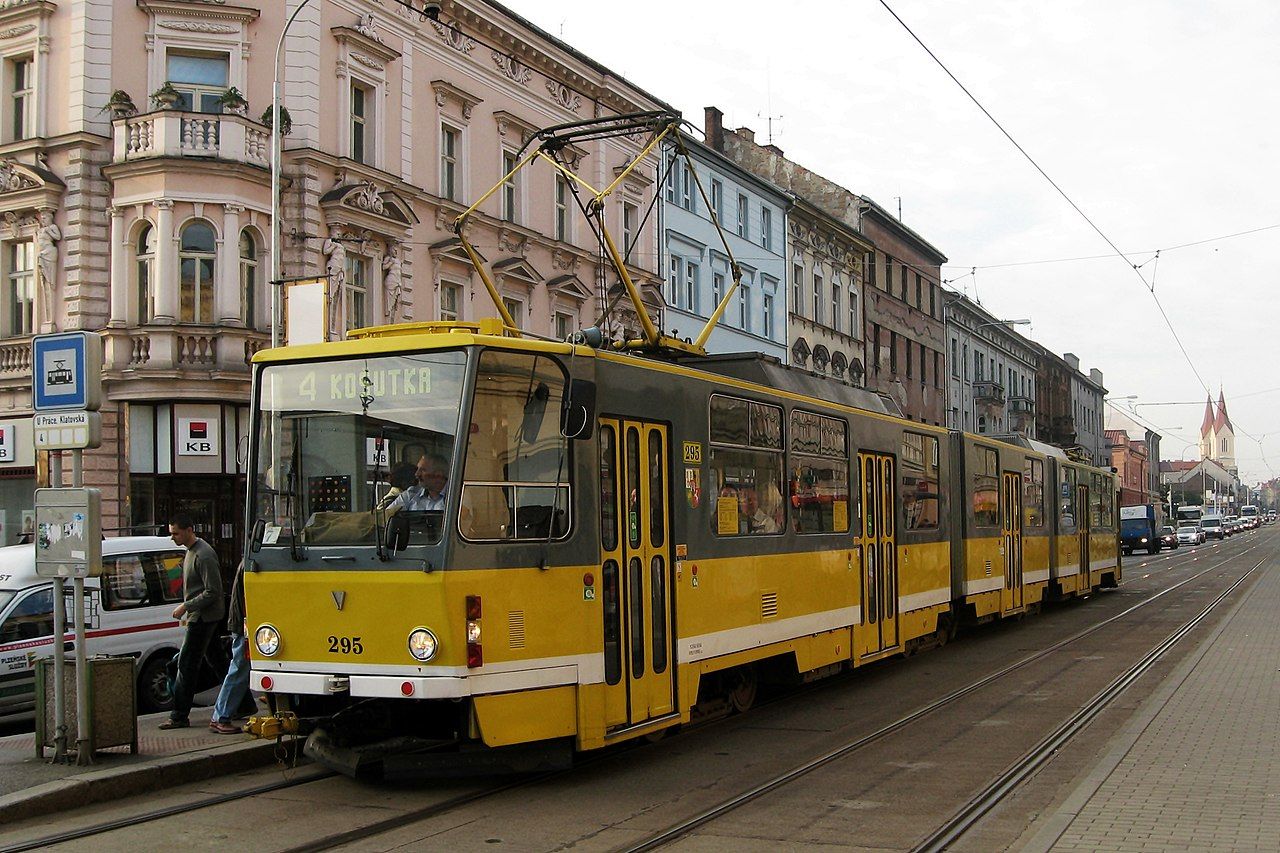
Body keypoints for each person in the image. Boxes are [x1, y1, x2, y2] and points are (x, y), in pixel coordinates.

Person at [160, 514, 225, 730]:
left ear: (189, 530)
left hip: (203, 618)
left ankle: (179, 715)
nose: (173, 537)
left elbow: (213, 591)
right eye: (171, 533)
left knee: (186, 664)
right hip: (203, 616)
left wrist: (186, 606)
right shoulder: (191, 552)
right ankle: (242, 703)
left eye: (175, 533)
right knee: (219, 663)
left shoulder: (203, 555)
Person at [209, 561, 251, 734]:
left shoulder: (245, 562)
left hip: (242, 624)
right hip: (245, 626)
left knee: (241, 669)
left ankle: (243, 707)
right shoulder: (248, 565)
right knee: (239, 669)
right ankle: (220, 717)